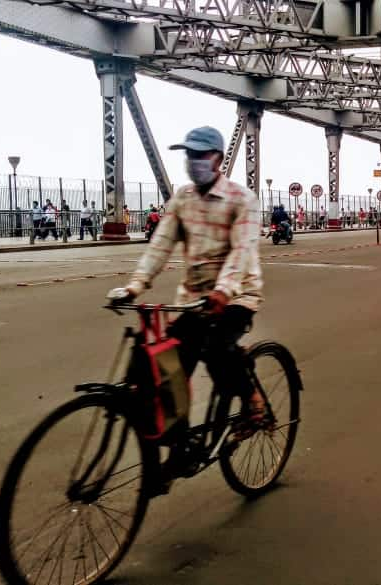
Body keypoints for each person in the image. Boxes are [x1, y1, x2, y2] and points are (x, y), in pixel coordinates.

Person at [107, 126, 265, 484]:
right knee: (167, 369)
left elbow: (241, 252)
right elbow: (160, 245)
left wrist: (224, 292)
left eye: (199, 155)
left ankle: (253, 403)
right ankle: (179, 449)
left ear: (217, 159)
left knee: (216, 347)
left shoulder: (242, 199)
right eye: (188, 155)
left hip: (237, 294)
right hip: (194, 300)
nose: (192, 162)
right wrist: (134, 286)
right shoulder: (183, 199)